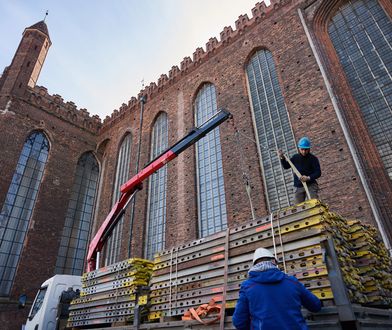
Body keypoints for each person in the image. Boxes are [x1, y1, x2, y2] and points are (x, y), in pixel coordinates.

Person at [232, 247, 321, 330]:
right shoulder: (292, 282)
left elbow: (238, 322)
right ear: (274, 261)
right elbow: (316, 306)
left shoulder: (247, 287)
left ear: (254, 265)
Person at [278, 137, 321, 204]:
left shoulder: (313, 159)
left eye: (306, 150)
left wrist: (308, 178)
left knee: (314, 204)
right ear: (299, 148)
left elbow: (318, 172)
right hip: (298, 187)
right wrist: (282, 158)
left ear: (309, 148)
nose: (304, 151)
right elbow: (286, 166)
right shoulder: (295, 157)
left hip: (310, 185)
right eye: (302, 149)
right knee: (298, 208)